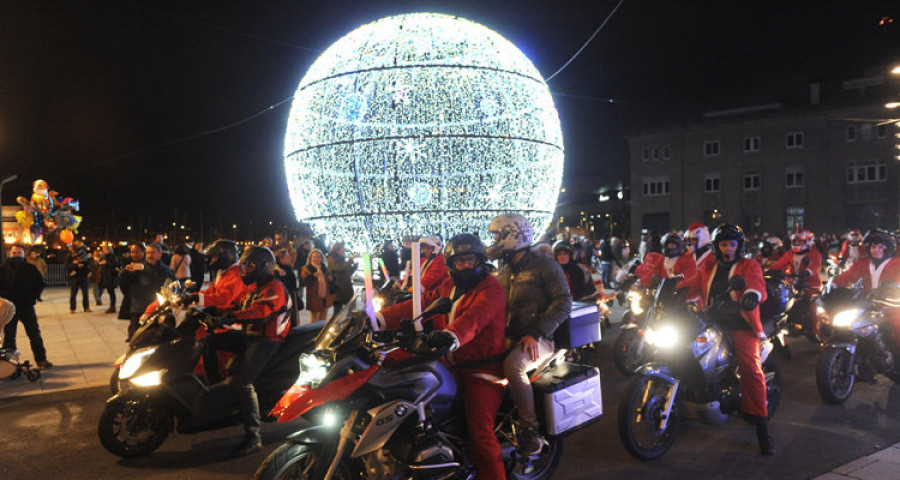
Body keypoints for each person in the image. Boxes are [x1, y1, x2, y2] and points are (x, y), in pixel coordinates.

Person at [376, 234, 507, 478]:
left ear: (479, 260)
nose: (466, 266)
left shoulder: (491, 288)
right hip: (448, 362)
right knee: (389, 366)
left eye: (470, 260)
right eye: (460, 262)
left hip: (481, 371)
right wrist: (379, 318)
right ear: (451, 265)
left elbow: (475, 320)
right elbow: (423, 303)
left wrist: (450, 336)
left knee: (481, 433)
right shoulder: (450, 285)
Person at [677, 224, 773, 454]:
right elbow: (691, 286)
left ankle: (762, 426)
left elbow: (756, 283)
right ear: (716, 246)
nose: (728, 249)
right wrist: (668, 290)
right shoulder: (708, 266)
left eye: (732, 244)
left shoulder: (749, 265)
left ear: (739, 246)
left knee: (750, 369)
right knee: (683, 350)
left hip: (741, 322)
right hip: (712, 320)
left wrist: (752, 295)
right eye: (723, 244)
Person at [486, 213, 572, 455]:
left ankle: (529, 430)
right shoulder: (504, 270)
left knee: (514, 365)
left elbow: (564, 302)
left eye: (496, 236)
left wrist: (537, 333)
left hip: (539, 339)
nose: (493, 241)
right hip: (509, 337)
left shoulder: (545, 266)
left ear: (513, 235)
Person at [209, 246, 292, 458]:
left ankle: (253, 437)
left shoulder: (275, 287)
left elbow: (261, 312)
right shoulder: (255, 286)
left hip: (267, 340)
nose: (245, 270)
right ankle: (217, 391)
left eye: (250, 266)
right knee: (210, 342)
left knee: (244, 383)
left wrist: (232, 318)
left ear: (265, 266)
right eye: (244, 265)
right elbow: (236, 304)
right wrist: (207, 309)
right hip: (251, 335)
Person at [833, 230, 900, 345]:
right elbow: (848, 276)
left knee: (896, 332)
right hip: (867, 305)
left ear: (887, 248)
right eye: (873, 246)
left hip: (891, 306)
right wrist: (833, 285)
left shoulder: (897, 263)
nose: (876, 250)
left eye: (880, 246)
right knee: (847, 325)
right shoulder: (863, 263)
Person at [1, 245, 51, 368]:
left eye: (19, 253)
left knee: (34, 334)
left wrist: (33, 297)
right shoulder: (3, 269)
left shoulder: (30, 268)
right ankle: (9, 364)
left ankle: (41, 359)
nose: (17, 255)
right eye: (14, 252)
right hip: (10, 308)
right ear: (10, 253)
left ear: (24, 254)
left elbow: (40, 283)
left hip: (26, 307)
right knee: (9, 337)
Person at [118, 243, 176, 341]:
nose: (149, 255)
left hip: (160, 311)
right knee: (137, 340)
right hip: (139, 311)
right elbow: (122, 279)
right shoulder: (138, 267)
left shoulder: (166, 270)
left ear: (160, 254)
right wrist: (126, 272)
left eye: (152, 253)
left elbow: (175, 284)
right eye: (148, 253)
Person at [300, 249, 332, 321]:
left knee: (323, 319)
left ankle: (322, 332)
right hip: (314, 297)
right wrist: (313, 275)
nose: (316, 259)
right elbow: (302, 282)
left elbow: (330, 280)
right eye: (314, 257)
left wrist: (331, 278)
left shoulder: (325, 268)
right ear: (310, 258)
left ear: (322, 258)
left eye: (318, 257)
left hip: (325, 297)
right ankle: (315, 332)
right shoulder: (306, 268)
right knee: (315, 319)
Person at [327, 242, 356, 315]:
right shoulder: (332, 258)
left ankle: (348, 321)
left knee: (352, 305)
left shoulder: (341, 259)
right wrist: (350, 260)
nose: (343, 251)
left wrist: (354, 268)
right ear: (337, 250)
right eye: (342, 250)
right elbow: (339, 268)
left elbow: (346, 273)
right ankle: (334, 325)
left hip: (346, 287)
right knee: (337, 310)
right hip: (338, 288)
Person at [274, 247, 300, 326]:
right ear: (281, 259)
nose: (290, 258)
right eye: (287, 256)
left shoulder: (288, 268)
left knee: (293, 318)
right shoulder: (277, 271)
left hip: (292, 295)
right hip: (284, 299)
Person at [66, 242, 92, 313]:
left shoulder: (84, 254)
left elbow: (89, 263)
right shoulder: (70, 256)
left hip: (84, 276)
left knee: (85, 293)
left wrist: (87, 269)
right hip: (75, 276)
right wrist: (76, 266)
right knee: (73, 294)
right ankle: (72, 308)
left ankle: (86, 307)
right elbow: (67, 266)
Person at [98, 245, 120, 313]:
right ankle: (112, 306)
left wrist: (105, 263)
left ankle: (112, 307)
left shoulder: (112, 256)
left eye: (104, 249)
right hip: (106, 277)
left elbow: (114, 265)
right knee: (110, 292)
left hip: (110, 277)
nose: (103, 251)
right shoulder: (104, 257)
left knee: (111, 292)